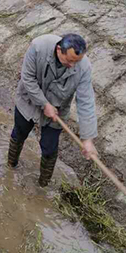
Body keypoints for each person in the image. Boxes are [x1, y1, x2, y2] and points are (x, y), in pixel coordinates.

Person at [8, 33, 98, 187]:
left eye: (76, 62)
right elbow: (27, 78)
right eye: (69, 61)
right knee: (19, 133)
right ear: (59, 50)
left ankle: (43, 185)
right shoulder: (38, 47)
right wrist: (44, 104)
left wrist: (87, 139)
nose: (72, 66)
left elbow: (86, 102)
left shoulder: (83, 68)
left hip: (57, 111)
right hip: (29, 100)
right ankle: (10, 166)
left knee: (49, 149)